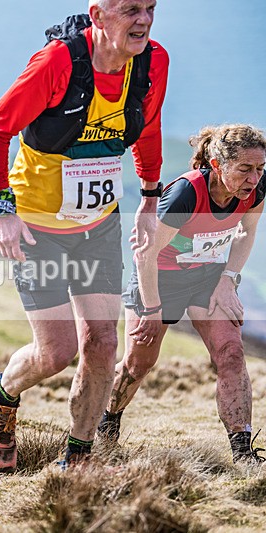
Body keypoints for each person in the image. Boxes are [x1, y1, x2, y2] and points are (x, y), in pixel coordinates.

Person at [0, 0, 168, 472]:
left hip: (98, 225)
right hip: (37, 227)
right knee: (56, 352)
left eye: (150, 7)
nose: (143, 19)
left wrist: (149, 196)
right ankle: (1, 397)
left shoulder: (152, 62)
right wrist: (0, 210)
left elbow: (148, 128)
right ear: (98, 14)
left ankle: (79, 457)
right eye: (130, 9)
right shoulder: (58, 62)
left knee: (102, 343)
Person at [98, 124, 266, 463]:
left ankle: (242, 452)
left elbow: (245, 233)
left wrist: (228, 279)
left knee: (232, 354)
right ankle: (106, 422)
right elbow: (145, 255)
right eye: (245, 168)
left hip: (207, 277)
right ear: (217, 165)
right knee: (139, 362)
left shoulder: (255, 190)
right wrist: (151, 309)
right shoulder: (185, 194)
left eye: (261, 168)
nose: (254, 178)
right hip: (159, 279)